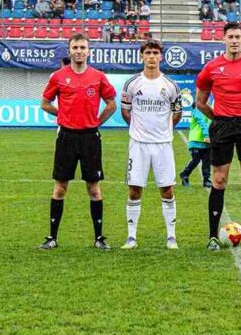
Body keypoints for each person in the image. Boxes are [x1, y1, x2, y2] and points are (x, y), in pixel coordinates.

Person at [39, 33, 117, 251]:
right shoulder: (58, 77)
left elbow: (111, 104)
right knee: (60, 188)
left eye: (83, 47)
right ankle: (52, 238)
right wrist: (62, 115)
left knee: (94, 189)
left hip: (90, 138)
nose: (79, 51)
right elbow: (45, 103)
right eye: (75, 47)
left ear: (89, 51)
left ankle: (99, 238)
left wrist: (96, 122)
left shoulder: (98, 77)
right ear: (69, 51)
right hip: (66, 137)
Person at [196, 23, 241, 251]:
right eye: (231, 37)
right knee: (219, 180)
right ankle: (212, 237)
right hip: (222, 127)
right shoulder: (212, 67)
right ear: (224, 39)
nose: (235, 40)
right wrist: (219, 117)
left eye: (238, 36)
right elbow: (200, 102)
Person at [119, 39, 182, 250]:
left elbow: (177, 112)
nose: (152, 56)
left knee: (167, 190)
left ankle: (171, 236)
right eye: (148, 53)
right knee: (135, 189)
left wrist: (164, 129)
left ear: (161, 57)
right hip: (138, 145)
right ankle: (131, 237)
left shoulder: (171, 86)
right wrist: (139, 129)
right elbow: (126, 111)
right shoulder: (132, 84)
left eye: (155, 53)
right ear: (142, 56)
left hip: (163, 145)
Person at [180, 96, 212, 189]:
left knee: (206, 161)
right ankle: (185, 174)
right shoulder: (196, 111)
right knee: (195, 160)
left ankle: (206, 180)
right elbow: (202, 123)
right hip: (196, 140)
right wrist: (206, 135)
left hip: (207, 141)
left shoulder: (207, 112)